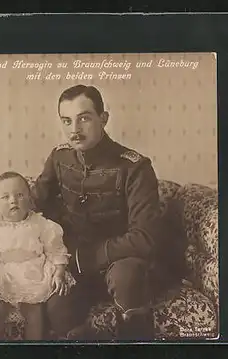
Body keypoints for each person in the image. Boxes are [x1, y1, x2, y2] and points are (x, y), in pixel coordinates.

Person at [31, 84, 168, 340]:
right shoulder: (60, 158)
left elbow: (145, 237)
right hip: (74, 264)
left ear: (103, 119)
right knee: (57, 308)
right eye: (67, 120)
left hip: (121, 261)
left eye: (84, 118)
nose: (75, 129)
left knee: (126, 278)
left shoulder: (135, 167)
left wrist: (87, 257)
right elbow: (35, 206)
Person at [0, 171, 76, 340]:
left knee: (33, 310)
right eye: (5, 197)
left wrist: (59, 272)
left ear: (29, 199)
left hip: (33, 271)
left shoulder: (42, 225)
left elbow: (56, 251)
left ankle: (33, 347)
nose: (13, 200)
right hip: (2, 272)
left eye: (19, 195)